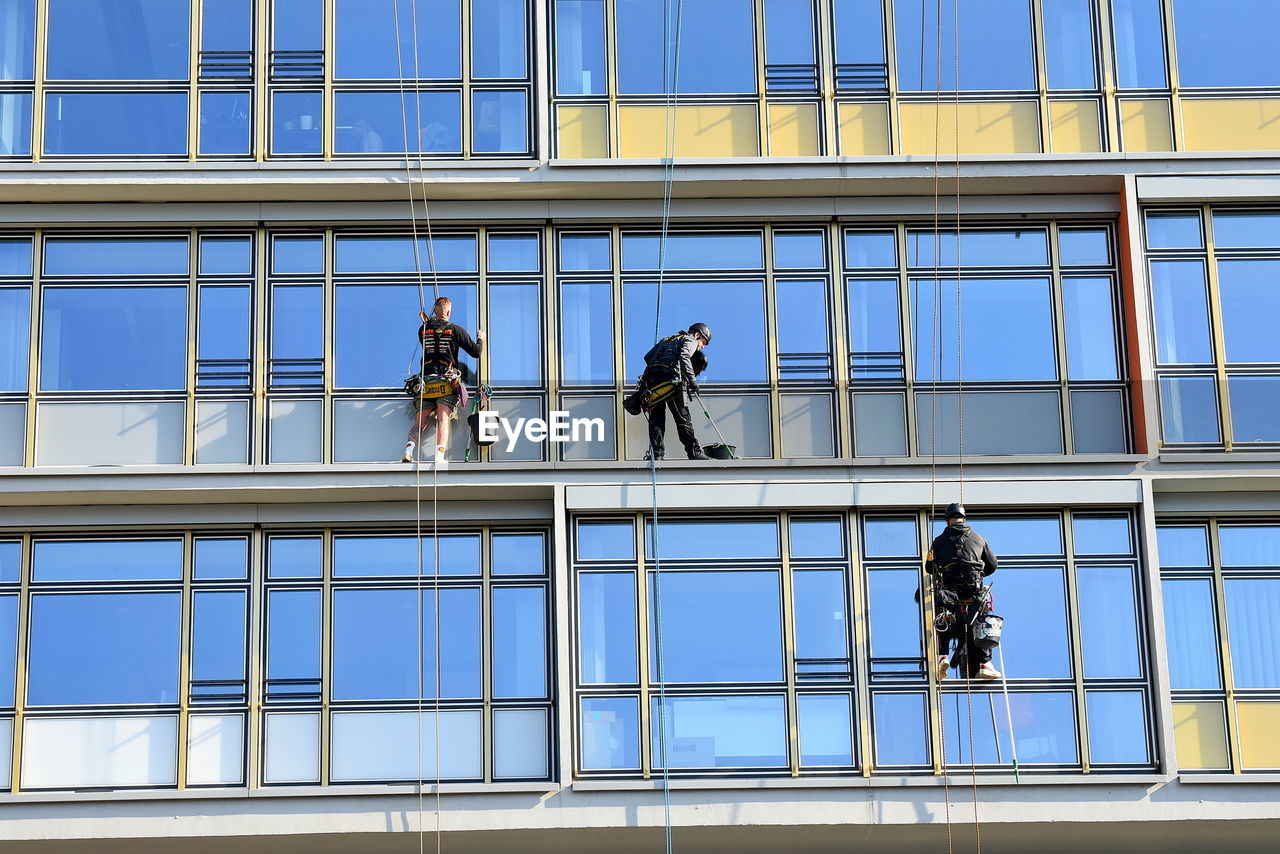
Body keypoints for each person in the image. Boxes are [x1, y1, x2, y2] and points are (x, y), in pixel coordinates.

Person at [402, 296, 484, 465]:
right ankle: (439, 456)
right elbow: (476, 352)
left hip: (425, 382)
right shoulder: (456, 330)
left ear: (435, 311)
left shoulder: (423, 330)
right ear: (448, 312)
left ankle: (408, 451)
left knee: (420, 422)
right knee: (443, 418)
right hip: (446, 381)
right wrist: (480, 339)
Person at [926, 503, 1000, 680]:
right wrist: (978, 572)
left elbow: (929, 567)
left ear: (947, 520)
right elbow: (992, 565)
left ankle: (942, 656)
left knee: (943, 619)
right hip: (973, 590)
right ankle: (985, 664)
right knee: (982, 619)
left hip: (949, 591)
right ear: (964, 519)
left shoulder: (938, 541)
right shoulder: (978, 538)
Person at [626, 322, 712, 461]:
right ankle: (694, 452)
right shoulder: (689, 340)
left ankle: (657, 455)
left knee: (656, 421)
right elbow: (684, 356)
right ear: (697, 335)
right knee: (683, 419)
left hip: (653, 385)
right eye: (702, 342)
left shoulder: (666, 340)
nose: (701, 347)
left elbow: (648, 357)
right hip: (672, 383)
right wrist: (692, 381)